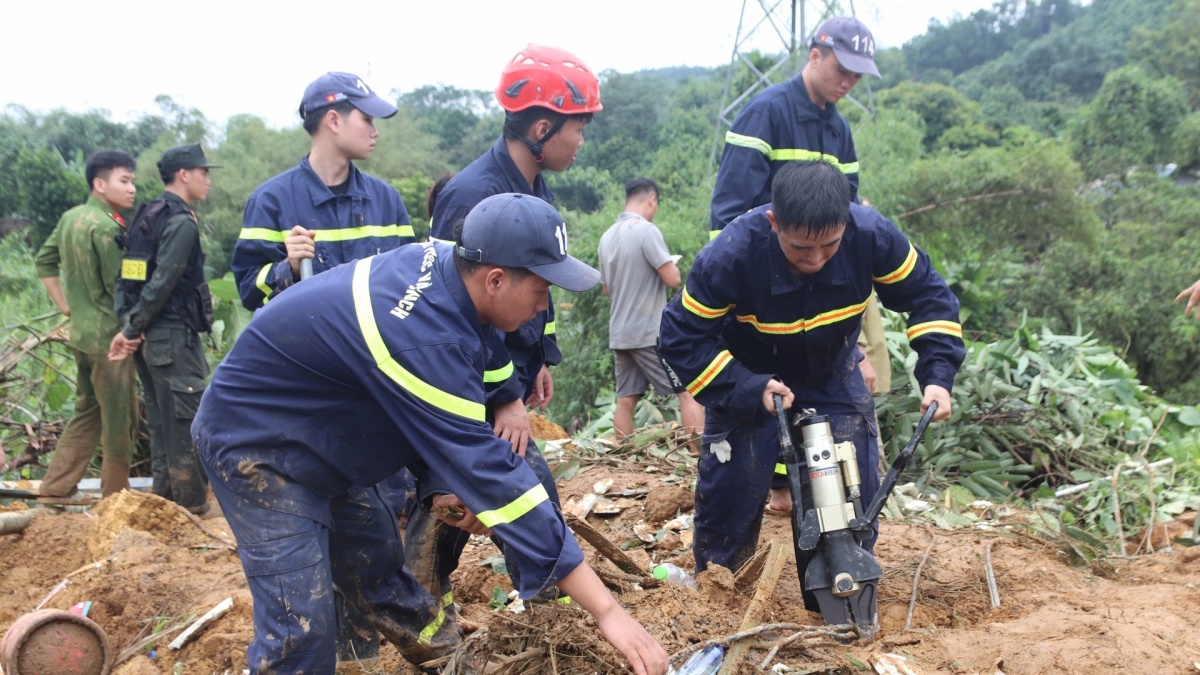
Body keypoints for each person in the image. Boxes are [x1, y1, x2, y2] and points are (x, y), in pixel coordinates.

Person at [191, 193, 668, 675]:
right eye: (542, 290)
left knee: (376, 568)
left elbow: (477, 354)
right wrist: (607, 611)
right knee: (302, 631)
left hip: (324, 436)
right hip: (259, 447)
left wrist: (501, 401)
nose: (546, 305)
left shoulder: (450, 267)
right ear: (497, 280)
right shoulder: (422, 333)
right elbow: (491, 474)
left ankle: (450, 661)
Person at [658, 161, 964, 598]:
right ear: (773, 222)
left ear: (847, 222)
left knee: (850, 489)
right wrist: (746, 386)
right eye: (801, 248)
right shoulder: (731, 255)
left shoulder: (871, 235)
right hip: (749, 373)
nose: (816, 260)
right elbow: (680, 337)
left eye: (830, 246)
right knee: (733, 489)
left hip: (832, 371)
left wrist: (937, 375)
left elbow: (930, 296)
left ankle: (841, 592)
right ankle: (719, 591)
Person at [410, 43, 603, 625]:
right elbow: (451, 310)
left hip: (503, 374)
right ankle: (555, 621)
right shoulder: (472, 197)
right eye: (579, 127)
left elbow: (535, 277)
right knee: (512, 494)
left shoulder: (532, 184)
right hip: (466, 382)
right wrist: (504, 396)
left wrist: (537, 355)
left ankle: (419, 604)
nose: (582, 141)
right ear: (542, 126)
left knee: (467, 501)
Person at [709, 15, 886, 513]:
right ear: (814, 55)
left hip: (823, 301)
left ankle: (800, 494)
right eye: (841, 69)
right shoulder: (764, 115)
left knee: (822, 399)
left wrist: (855, 344)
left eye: (857, 75)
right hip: (764, 297)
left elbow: (846, 227)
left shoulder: (839, 130)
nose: (848, 82)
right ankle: (759, 496)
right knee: (760, 398)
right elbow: (728, 218)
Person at [231, 72, 415, 309]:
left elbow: (412, 279)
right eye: (367, 120)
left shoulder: (387, 199)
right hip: (305, 346)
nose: (375, 131)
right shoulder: (270, 201)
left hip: (372, 346)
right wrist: (290, 268)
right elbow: (249, 291)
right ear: (334, 121)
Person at [107, 143, 218, 514]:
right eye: (203, 172)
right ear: (184, 175)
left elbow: (130, 274)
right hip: (170, 337)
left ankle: (164, 502)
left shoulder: (146, 214)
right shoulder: (180, 222)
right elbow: (163, 282)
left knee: (161, 423)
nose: (208, 179)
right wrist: (133, 326)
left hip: (148, 338)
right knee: (186, 422)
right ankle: (191, 507)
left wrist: (130, 326)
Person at [34, 151, 140, 503]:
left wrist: (66, 307)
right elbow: (119, 287)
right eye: (124, 181)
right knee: (119, 421)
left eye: (132, 181)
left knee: (87, 411)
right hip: (110, 340)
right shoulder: (109, 227)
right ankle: (117, 498)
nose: (132, 189)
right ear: (99, 183)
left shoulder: (69, 219)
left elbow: (44, 261)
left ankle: (55, 488)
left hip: (80, 335)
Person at [597, 178, 704, 447]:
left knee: (625, 401)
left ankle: (625, 459)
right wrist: (671, 265)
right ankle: (700, 458)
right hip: (648, 331)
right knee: (688, 392)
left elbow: (607, 290)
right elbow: (672, 279)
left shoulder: (607, 237)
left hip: (620, 333)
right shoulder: (646, 231)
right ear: (651, 200)